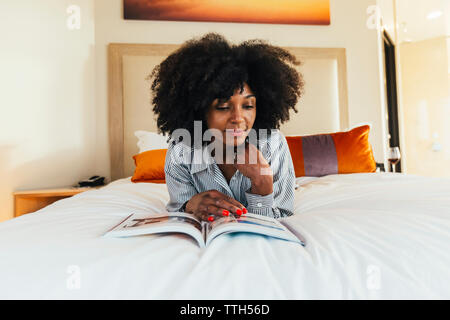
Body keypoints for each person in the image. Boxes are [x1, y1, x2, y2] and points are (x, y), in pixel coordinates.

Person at [148, 33, 304, 222]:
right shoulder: (182, 149)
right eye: (223, 107)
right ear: (200, 110)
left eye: (248, 106)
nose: (238, 118)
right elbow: (178, 210)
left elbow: (282, 217)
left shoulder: (272, 143)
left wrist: (262, 186)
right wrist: (191, 205)